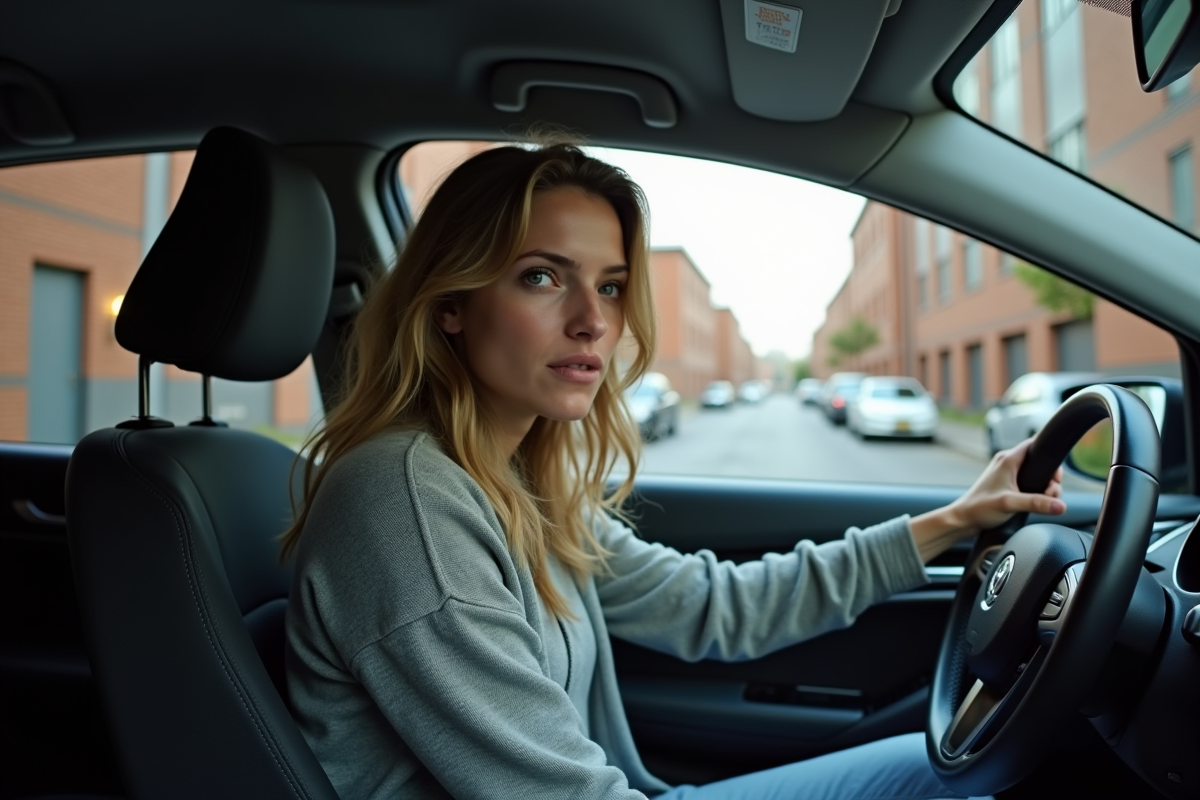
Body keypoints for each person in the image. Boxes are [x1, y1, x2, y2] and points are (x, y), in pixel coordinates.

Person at [281, 142, 1065, 800]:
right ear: (451, 301)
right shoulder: (407, 504)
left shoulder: (513, 481)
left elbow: (712, 605)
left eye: (612, 286)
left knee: (944, 766)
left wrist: (956, 518)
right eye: (543, 277)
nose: (594, 319)